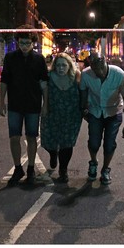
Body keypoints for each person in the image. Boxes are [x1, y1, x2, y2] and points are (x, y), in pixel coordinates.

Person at [0, 24, 49, 186]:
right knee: (14, 137)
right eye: (22, 43)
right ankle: (18, 168)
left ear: (33, 42)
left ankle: (31, 169)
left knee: (32, 137)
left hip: (33, 105)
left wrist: (45, 104)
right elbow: (4, 81)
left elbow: (44, 83)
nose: (25, 46)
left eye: (28, 43)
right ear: (17, 42)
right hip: (14, 105)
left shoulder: (39, 59)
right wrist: (1, 102)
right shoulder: (10, 58)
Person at [79, 53, 124, 185]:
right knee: (93, 142)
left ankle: (105, 169)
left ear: (106, 63)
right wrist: (83, 111)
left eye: (102, 68)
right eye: (96, 69)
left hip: (113, 112)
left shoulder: (119, 74)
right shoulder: (86, 75)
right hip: (95, 111)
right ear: (91, 67)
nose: (100, 72)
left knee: (109, 144)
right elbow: (83, 95)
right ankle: (93, 162)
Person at [40, 52, 82, 183]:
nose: (61, 68)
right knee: (49, 140)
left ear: (69, 65)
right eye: (58, 65)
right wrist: (45, 107)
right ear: (54, 66)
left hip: (71, 115)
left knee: (67, 144)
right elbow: (44, 92)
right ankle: (53, 154)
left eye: (64, 65)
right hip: (53, 113)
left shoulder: (76, 76)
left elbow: (83, 93)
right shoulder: (49, 76)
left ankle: (63, 170)